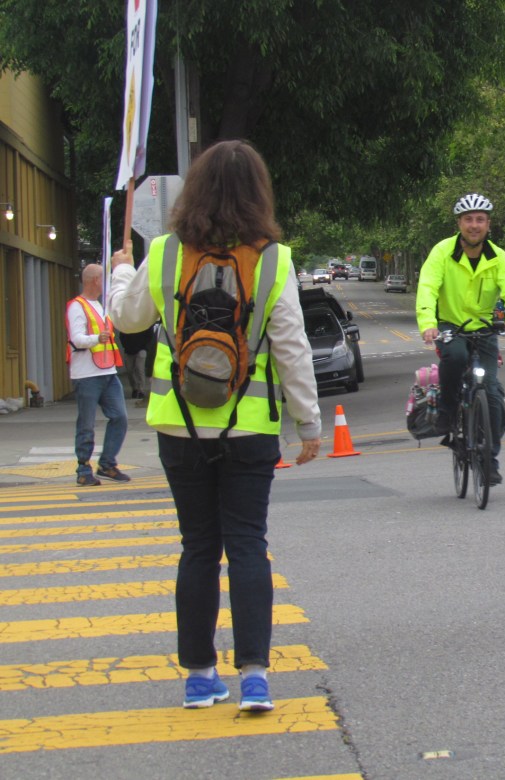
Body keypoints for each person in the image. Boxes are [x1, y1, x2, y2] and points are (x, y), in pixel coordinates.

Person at [108, 139, 321, 712]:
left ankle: (199, 678)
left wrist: (119, 274)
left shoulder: (166, 252)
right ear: (258, 192)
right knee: (249, 545)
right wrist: (309, 424)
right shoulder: (273, 258)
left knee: (198, 548)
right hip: (250, 429)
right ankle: (255, 676)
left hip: (179, 429)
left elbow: (127, 318)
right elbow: (292, 348)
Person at [415, 192, 505, 485]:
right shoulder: (441, 252)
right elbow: (427, 287)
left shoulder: (499, 257)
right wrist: (428, 324)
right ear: (459, 223)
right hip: (450, 325)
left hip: (485, 329)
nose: (474, 225)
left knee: (491, 395)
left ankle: (489, 459)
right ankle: (450, 408)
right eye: (468, 219)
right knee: (456, 357)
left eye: (480, 220)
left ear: (488, 224)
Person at [65, 264, 130, 486]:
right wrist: (97, 339)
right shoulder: (77, 307)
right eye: (105, 279)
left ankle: (107, 463)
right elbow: (76, 338)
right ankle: (84, 469)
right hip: (87, 375)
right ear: (95, 281)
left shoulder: (101, 306)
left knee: (119, 417)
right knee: (86, 423)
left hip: (107, 371)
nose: (108, 284)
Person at [118, 325, 155, 403]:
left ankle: (141, 390)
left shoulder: (144, 322)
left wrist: (145, 347)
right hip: (129, 350)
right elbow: (122, 336)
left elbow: (150, 336)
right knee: (129, 371)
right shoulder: (127, 323)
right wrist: (126, 346)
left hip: (141, 349)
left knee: (140, 369)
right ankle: (135, 388)